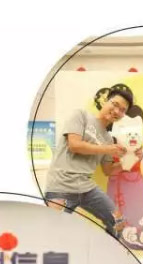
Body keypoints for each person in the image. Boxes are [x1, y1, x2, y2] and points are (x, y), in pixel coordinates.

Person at [43, 84, 135, 239]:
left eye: (122, 110)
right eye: (115, 104)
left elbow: (108, 170)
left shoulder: (108, 139)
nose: (117, 111)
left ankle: (105, 251)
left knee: (118, 224)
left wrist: (132, 158)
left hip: (87, 188)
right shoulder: (81, 115)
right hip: (61, 186)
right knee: (53, 234)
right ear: (105, 101)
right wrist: (108, 149)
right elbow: (74, 145)